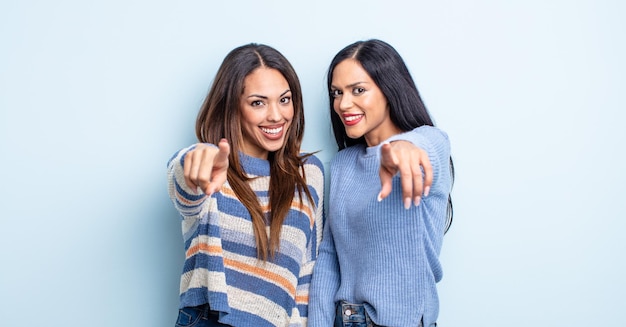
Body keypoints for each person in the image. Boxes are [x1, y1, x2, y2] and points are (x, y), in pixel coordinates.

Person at [167, 43, 325, 327]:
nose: (276, 115)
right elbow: (184, 188)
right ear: (233, 107)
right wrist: (193, 161)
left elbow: (307, 275)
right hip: (210, 319)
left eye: (285, 100)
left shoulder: (308, 174)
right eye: (258, 102)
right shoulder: (213, 167)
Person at [309, 39, 454, 327]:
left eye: (358, 90)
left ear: (389, 90)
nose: (343, 104)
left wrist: (403, 147)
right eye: (337, 93)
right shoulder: (343, 163)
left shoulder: (429, 142)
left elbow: (425, 149)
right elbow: (329, 256)